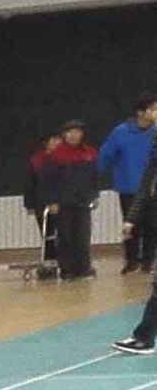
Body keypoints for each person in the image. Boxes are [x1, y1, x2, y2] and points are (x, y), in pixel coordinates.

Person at [32, 123, 102, 280]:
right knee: (65, 237)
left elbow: (95, 176)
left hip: (83, 202)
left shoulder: (89, 152)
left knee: (83, 237)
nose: (74, 135)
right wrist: (51, 201)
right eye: (70, 132)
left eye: (77, 132)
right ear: (64, 134)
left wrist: (95, 195)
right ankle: (67, 270)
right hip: (62, 202)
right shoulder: (55, 155)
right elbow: (47, 180)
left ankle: (84, 269)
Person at [101, 97, 156, 276]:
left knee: (152, 226)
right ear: (140, 112)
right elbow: (105, 155)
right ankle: (131, 261)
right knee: (131, 227)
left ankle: (148, 261)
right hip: (129, 188)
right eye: (153, 109)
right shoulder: (121, 132)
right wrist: (94, 178)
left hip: (152, 188)